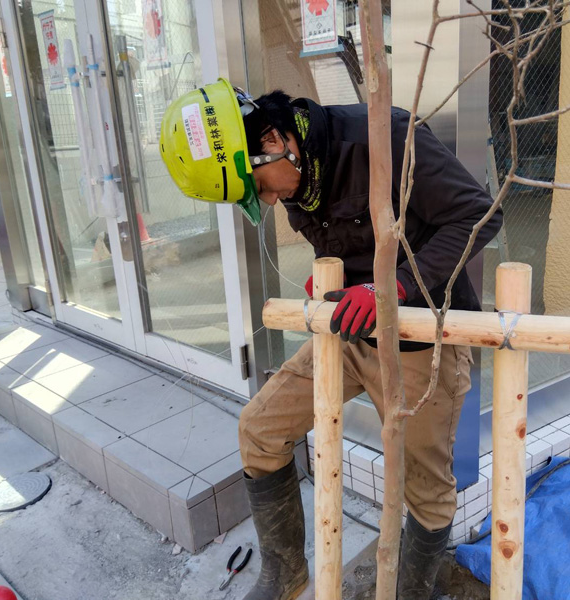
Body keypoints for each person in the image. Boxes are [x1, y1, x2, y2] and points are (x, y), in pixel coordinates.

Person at [160, 78, 502, 600]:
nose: (272, 200)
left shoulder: (384, 139)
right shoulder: (300, 174)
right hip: (351, 336)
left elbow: (479, 214)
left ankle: (412, 592)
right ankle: (285, 575)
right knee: (261, 428)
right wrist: (335, 285)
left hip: (423, 342)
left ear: (273, 139)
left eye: (265, 187)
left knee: (426, 491)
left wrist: (392, 286)